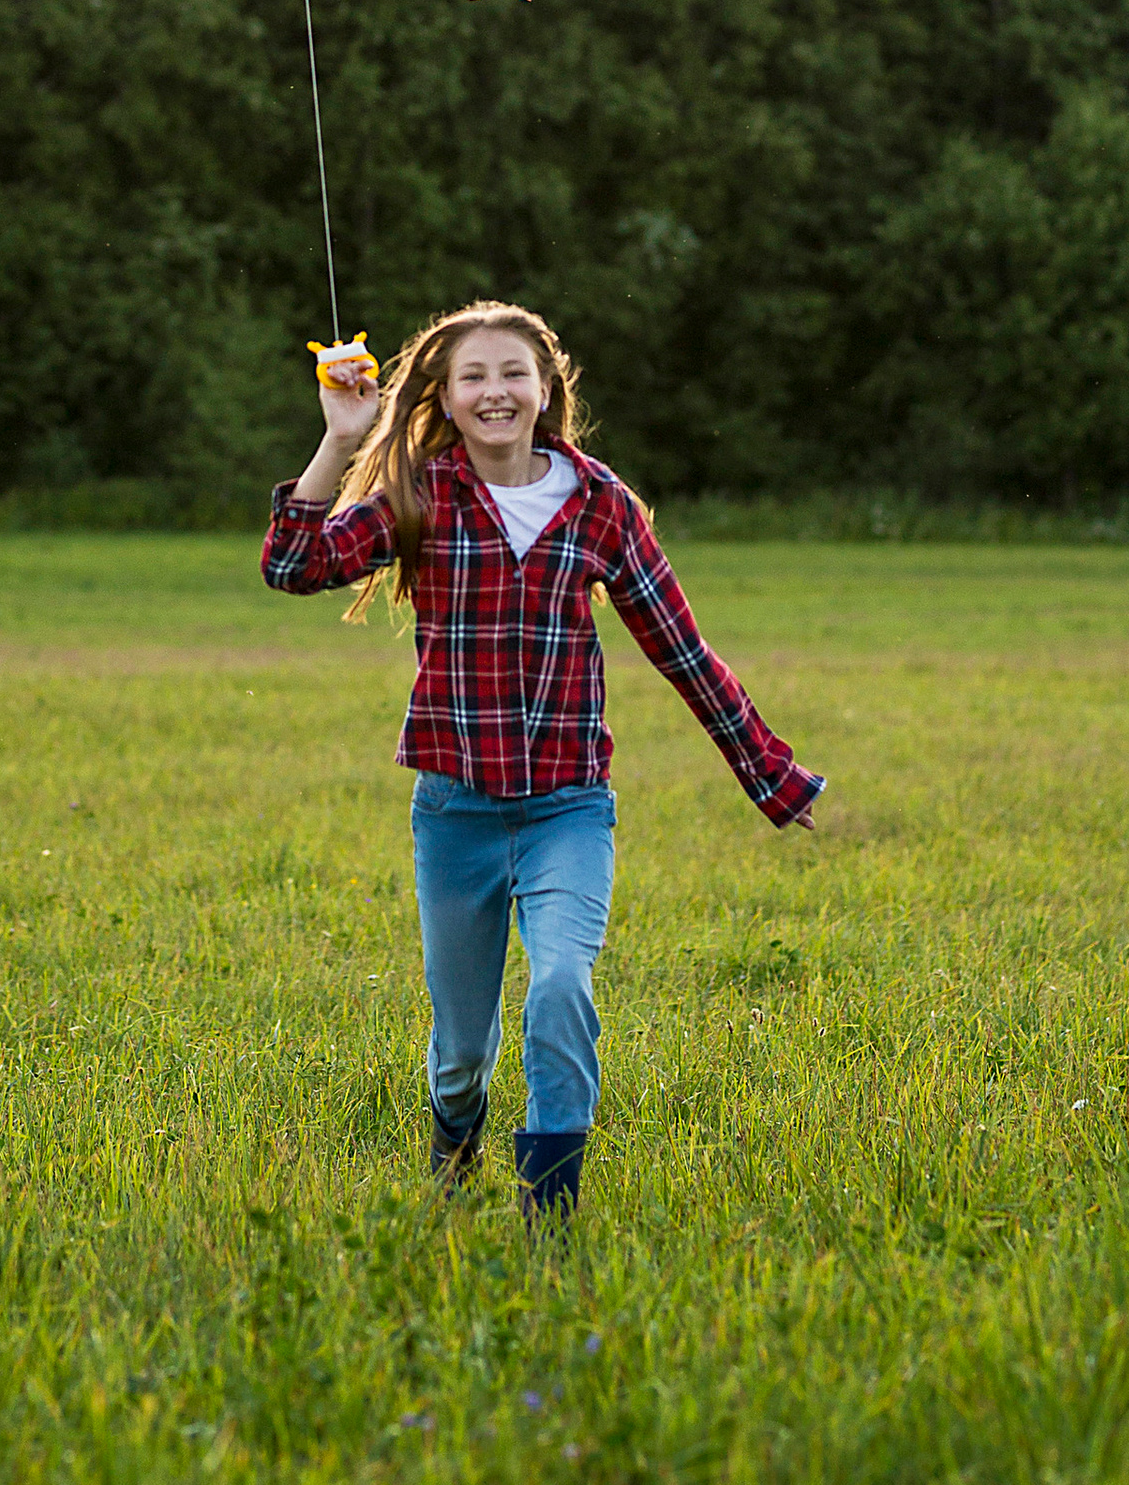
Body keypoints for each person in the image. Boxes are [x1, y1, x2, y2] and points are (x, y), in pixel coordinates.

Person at [263, 297, 822, 1221]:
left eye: (512, 374)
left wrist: (770, 773)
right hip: (456, 816)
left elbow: (681, 651)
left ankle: (548, 1218)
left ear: (546, 388)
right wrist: (339, 441)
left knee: (562, 985)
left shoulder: (600, 505)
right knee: (460, 1052)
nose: (494, 392)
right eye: (473, 376)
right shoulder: (421, 494)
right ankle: (454, 1139)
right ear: (443, 395)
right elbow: (292, 566)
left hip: (569, 808)